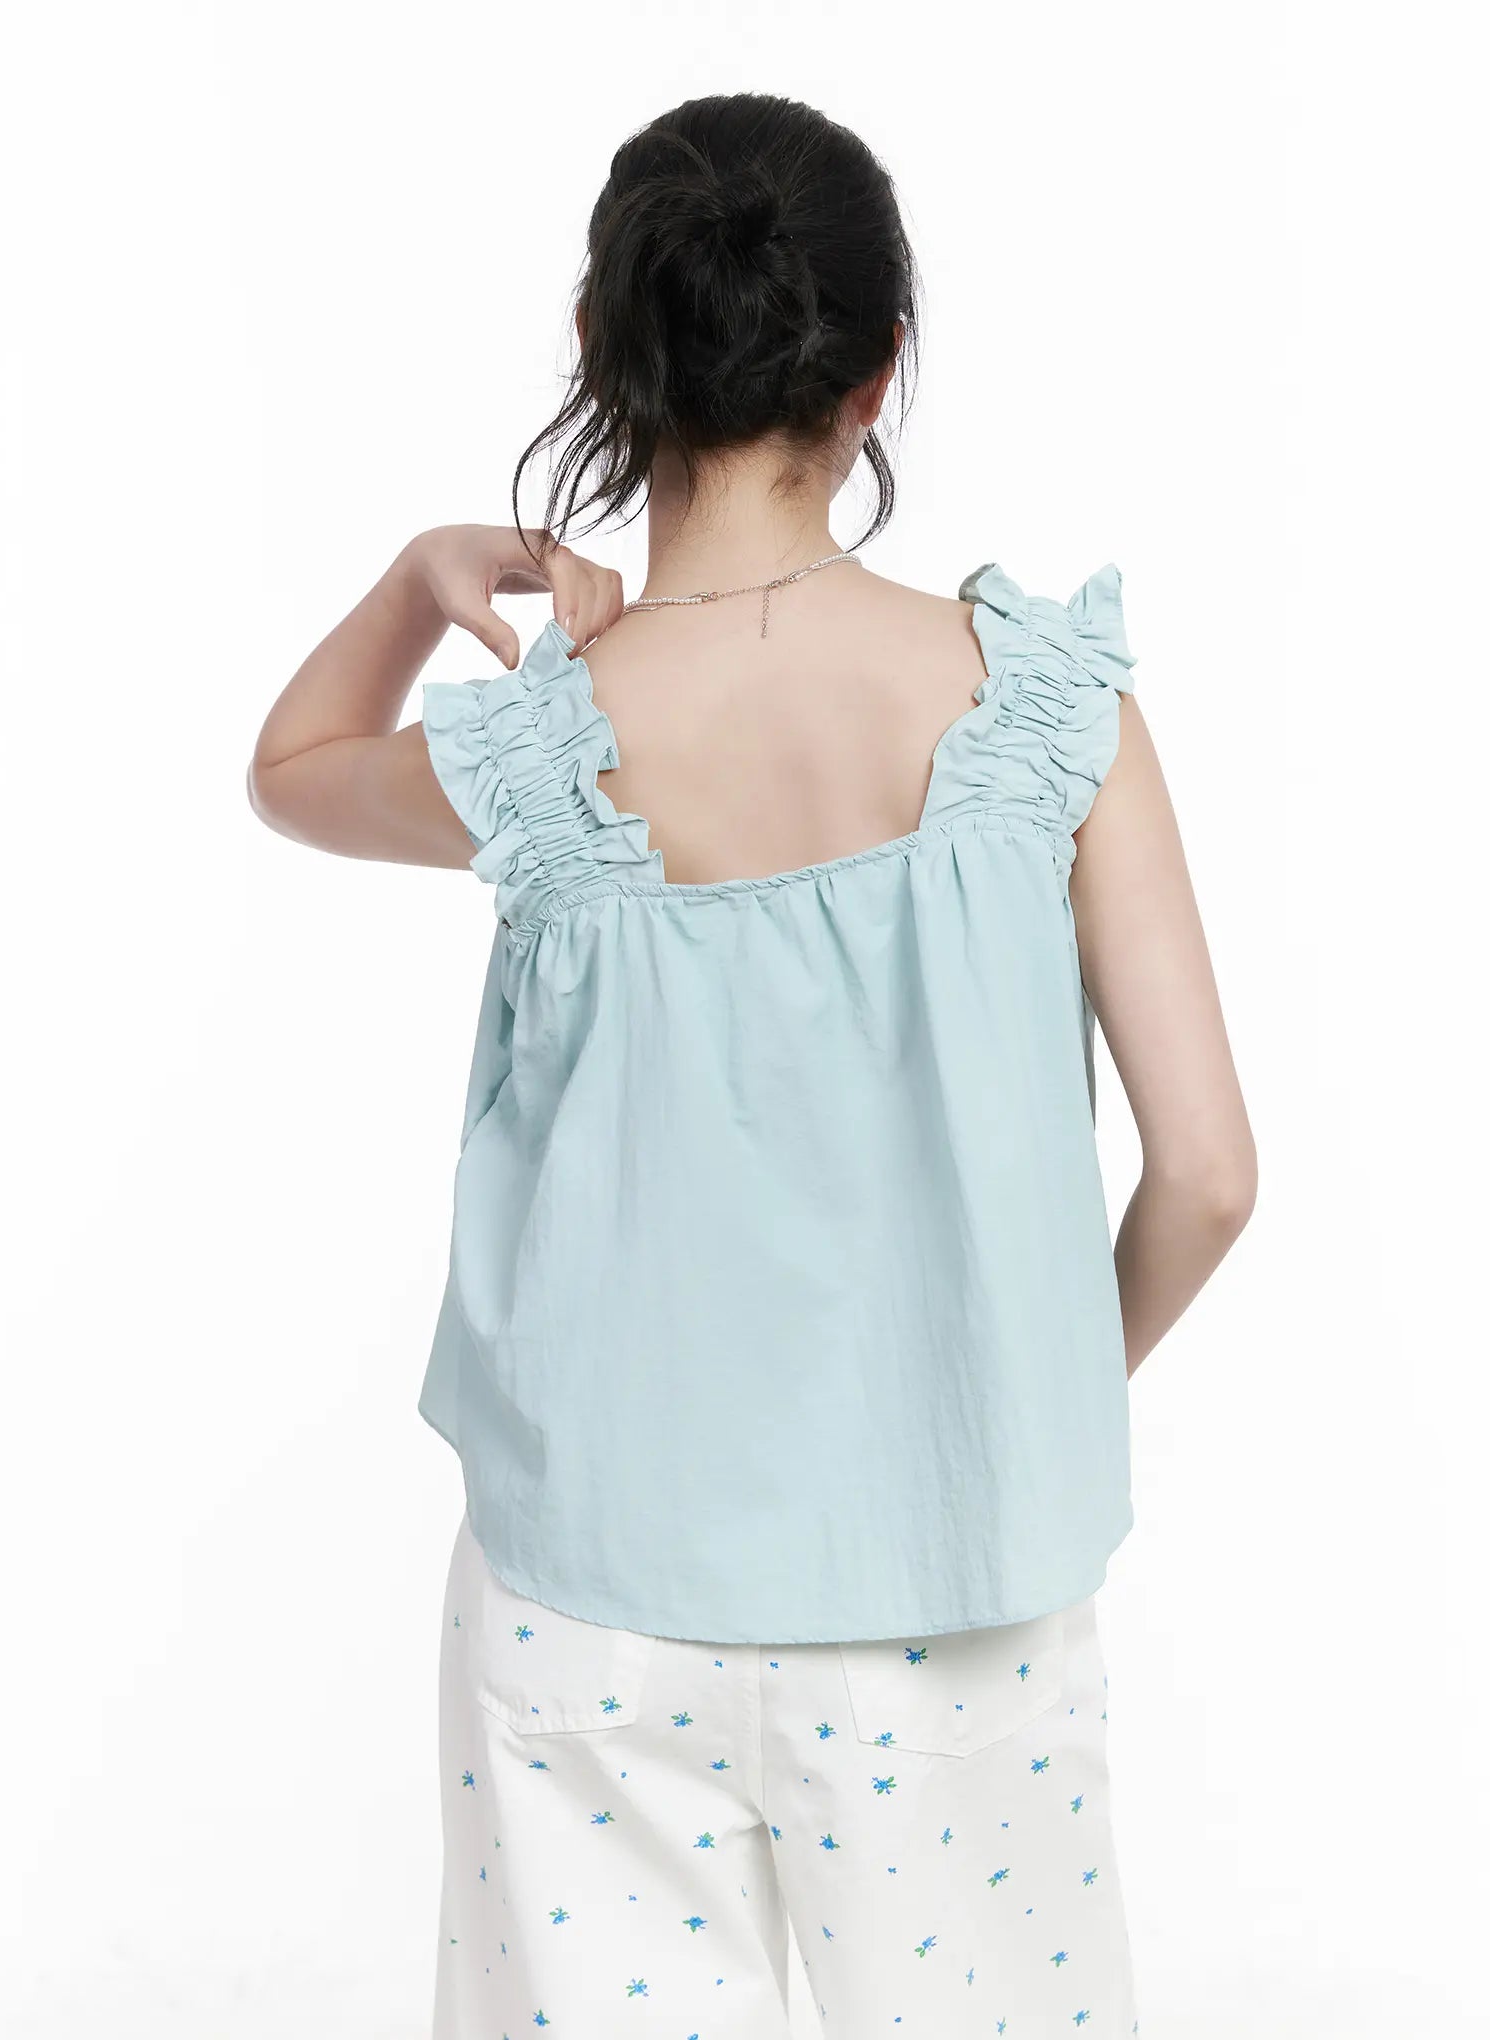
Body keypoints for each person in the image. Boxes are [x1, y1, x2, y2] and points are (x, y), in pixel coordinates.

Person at [249, 90, 1254, 2040]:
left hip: (590, 1605)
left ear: (604, 353)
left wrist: (418, 574)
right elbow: (1208, 1174)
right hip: (957, 1603)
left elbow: (288, 773)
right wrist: (1008, 1395)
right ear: (880, 371)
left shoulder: (544, 747)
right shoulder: (1054, 710)